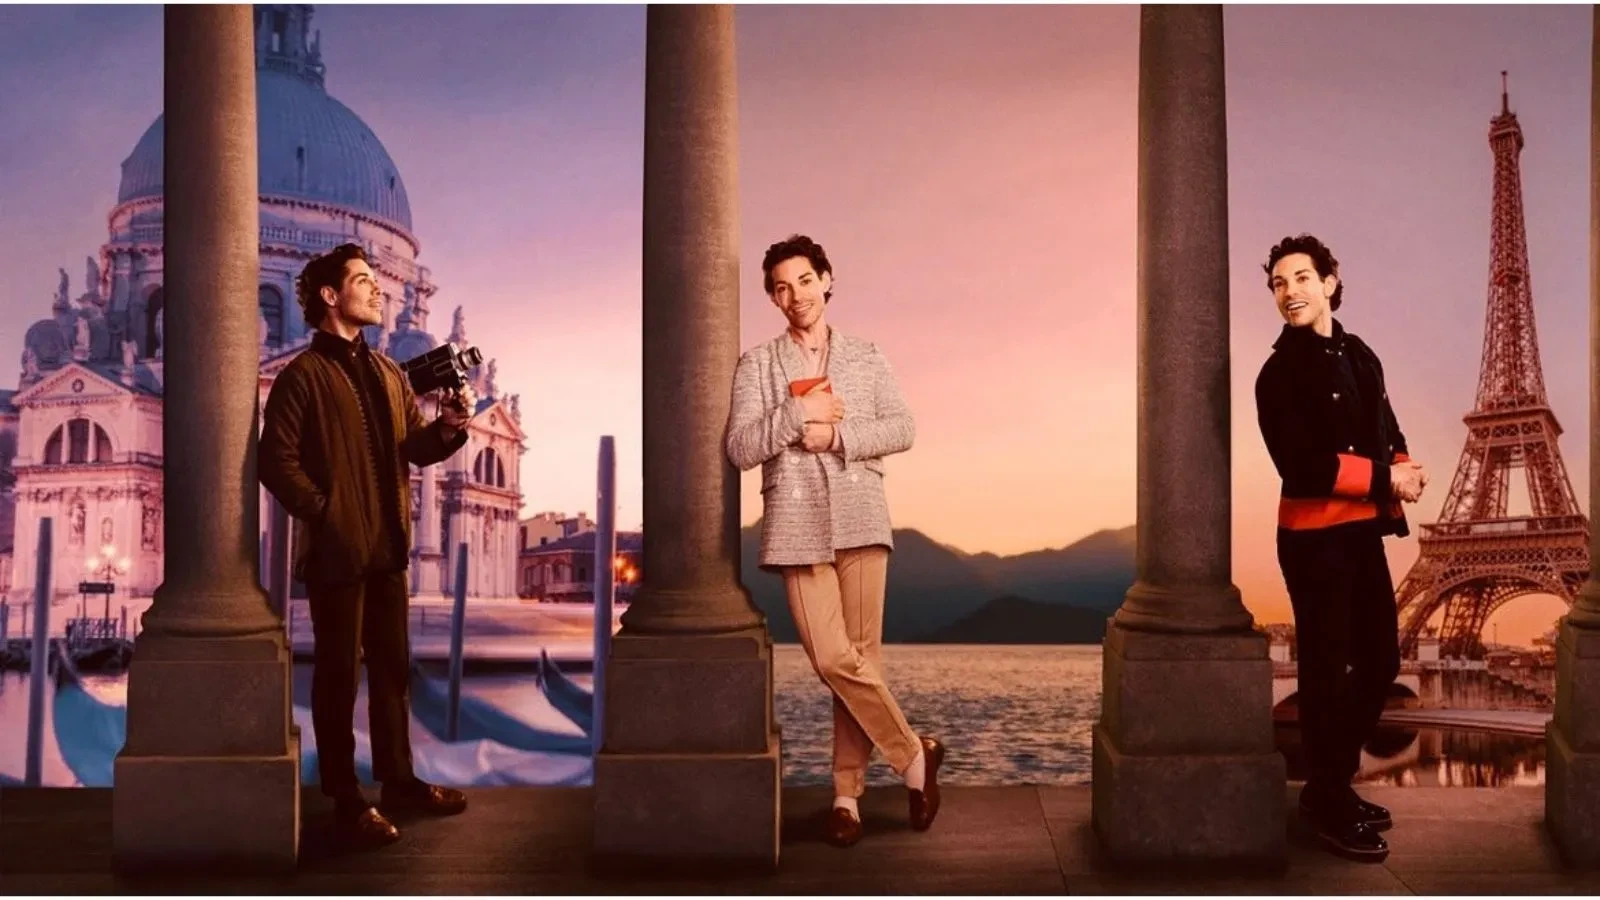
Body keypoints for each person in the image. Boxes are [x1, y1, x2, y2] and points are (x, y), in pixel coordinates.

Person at [724, 234, 944, 849]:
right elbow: (740, 448)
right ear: (772, 297)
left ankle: (846, 797)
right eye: (779, 287)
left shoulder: (868, 357)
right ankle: (915, 757)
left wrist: (839, 439)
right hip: (796, 524)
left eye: (801, 280)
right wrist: (800, 416)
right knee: (830, 658)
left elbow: (903, 427)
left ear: (826, 279)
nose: (792, 295)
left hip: (861, 515)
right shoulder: (758, 364)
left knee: (861, 660)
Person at [260, 243, 475, 847]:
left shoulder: (387, 373)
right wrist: (327, 514)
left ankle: (399, 781)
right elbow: (274, 462)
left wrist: (451, 429)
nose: (378, 292)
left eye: (378, 283)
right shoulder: (301, 376)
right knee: (336, 677)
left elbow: (413, 449)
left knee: (391, 671)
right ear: (331, 296)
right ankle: (346, 798)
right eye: (363, 281)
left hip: (388, 549)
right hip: (337, 552)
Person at [1254, 234, 1428, 864]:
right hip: (1311, 540)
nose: (1289, 291)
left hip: (1360, 534)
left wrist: (1405, 464)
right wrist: (1387, 480)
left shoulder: (1361, 355)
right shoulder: (1277, 373)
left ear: (1329, 281)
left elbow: (1388, 427)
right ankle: (1329, 799)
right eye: (1278, 283)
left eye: (1301, 277)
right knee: (1325, 677)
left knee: (1380, 661)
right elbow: (1301, 466)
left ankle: (1328, 786)